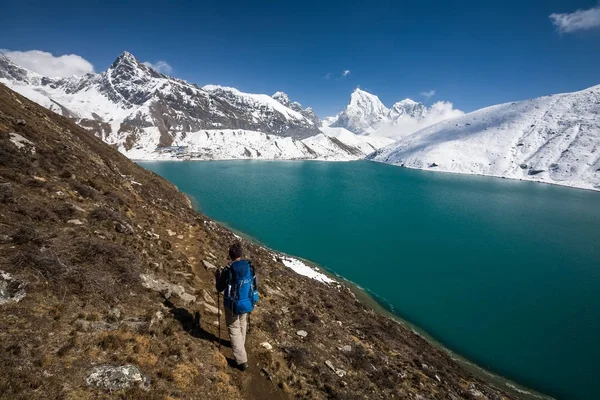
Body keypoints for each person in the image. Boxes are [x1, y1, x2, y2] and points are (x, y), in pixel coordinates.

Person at [215, 242, 259, 371]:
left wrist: (218, 276)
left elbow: (219, 288)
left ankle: (241, 361)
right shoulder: (249, 266)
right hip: (247, 302)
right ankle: (240, 345)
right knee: (242, 322)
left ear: (230, 255)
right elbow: (255, 282)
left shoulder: (229, 269)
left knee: (234, 328)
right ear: (241, 254)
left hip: (232, 305)